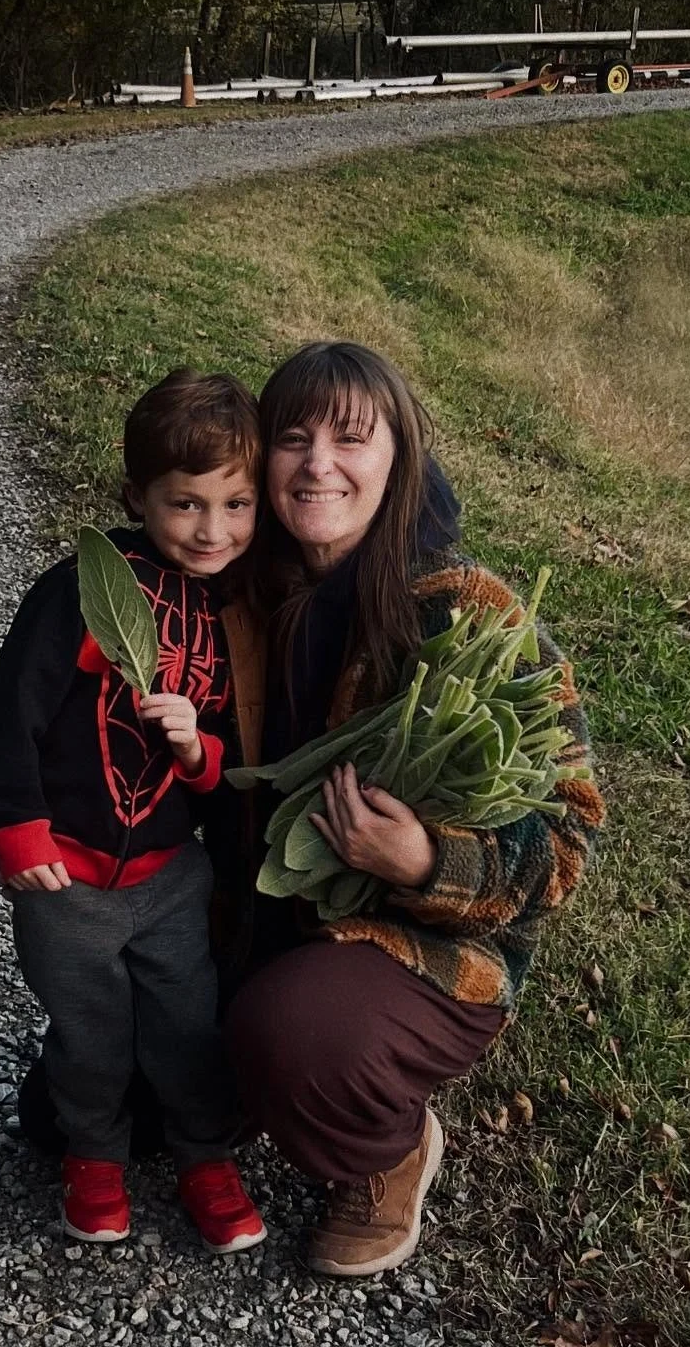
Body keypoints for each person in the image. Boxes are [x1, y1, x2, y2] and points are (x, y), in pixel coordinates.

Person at [222, 341, 606, 1277]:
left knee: (292, 1040)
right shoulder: (239, 588)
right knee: (122, 1090)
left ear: (400, 461)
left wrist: (427, 861)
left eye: (353, 439)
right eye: (293, 438)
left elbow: (567, 836)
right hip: (261, 905)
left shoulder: (468, 613)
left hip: (425, 943)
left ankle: (390, 1148)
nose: (319, 463)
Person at [0, 370, 267, 1254]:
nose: (213, 530)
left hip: (170, 878)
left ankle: (203, 1154)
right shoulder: (81, 592)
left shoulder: (233, 616)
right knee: (91, 1028)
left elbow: (226, 744)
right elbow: (9, 712)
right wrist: (17, 826)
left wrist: (195, 750)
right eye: (186, 504)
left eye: (238, 503)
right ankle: (93, 1155)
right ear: (137, 495)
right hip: (67, 877)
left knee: (187, 1020)